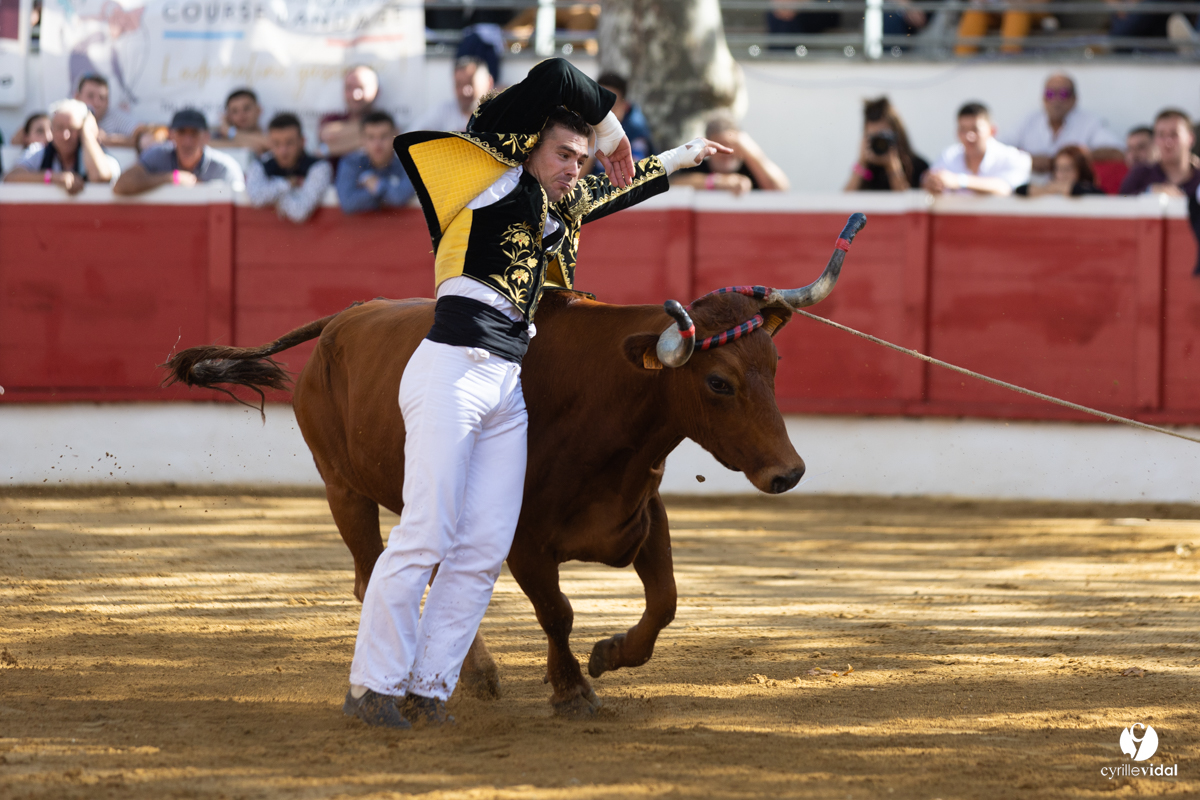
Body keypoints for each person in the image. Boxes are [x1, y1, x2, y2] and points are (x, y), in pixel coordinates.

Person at [342, 57, 732, 730]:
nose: (574, 167)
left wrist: (686, 156)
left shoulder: (559, 204)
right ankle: (371, 684)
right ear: (527, 146)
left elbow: (619, 189)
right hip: (453, 365)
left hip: (504, 383)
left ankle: (429, 688)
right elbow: (555, 74)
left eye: (581, 160)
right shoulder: (489, 171)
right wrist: (612, 132)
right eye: (563, 154)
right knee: (427, 531)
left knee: (484, 546)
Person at [1010, 74, 1124, 177]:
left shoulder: (1089, 122)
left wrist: (1073, 159)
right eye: (1050, 94)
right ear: (1043, 99)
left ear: (1074, 99)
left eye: (1063, 94)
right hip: (1032, 194)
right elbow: (1001, 148)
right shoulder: (1029, 121)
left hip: (1073, 195)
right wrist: (1028, 160)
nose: (1056, 100)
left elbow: (1118, 151)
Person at [113, 109, 245, 196]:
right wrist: (172, 178)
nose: (187, 141)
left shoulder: (225, 167)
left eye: (194, 134)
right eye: (182, 133)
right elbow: (121, 186)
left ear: (206, 137)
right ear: (171, 135)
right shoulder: (157, 154)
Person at [4, 99, 119, 194]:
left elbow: (100, 177)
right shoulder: (38, 152)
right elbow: (11, 178)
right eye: (59, 128)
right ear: (52, 130)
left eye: (72, 128)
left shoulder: (98, 153)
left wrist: (88, 136)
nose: (65, 135)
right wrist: (53, 177)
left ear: (81, 130)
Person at [922, 102, 1031, 196]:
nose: (969, 136)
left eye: (975, 129)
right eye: (963, 129)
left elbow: (1007, 188)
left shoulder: (1013, 157)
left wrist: (960, 181)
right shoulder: (948, 156)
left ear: (992, 130)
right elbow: (928, 181)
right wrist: (931, 183)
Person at [246, 113, 333, 224]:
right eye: (276, 144)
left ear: (302, 141)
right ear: (269, 143)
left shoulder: (319, 167)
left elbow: (300, 212)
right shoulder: (261, 164)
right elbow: (255, 198)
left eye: (289, 143)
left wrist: (272, 191)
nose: (283, 151)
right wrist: (286, 184)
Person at [671, 115, 790, 195]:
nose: (727, 152)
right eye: (720, 147)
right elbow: (673, 185)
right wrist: (717, 182)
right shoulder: (696, 168)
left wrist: (752, 152)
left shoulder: (752, 170)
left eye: (733, 145)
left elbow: (780, 190)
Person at [335, 111, 415, 214]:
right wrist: (386, 192)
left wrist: (377, 185)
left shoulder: (408, 164)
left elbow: (400, 197)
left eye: (384, 136)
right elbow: (348, 203)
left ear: (395, 136)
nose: (377, 145)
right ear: (362, 139)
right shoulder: (351, 162)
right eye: (371, 137)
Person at [844, 96, 929, 192]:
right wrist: (861, 163)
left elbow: (907, 203)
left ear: (897, 134)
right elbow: (844, 202)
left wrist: (893, 168)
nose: (879, 143)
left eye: (883, 136)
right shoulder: (866, 170)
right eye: (873, 137)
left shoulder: (917, 166)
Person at [584, 72, 655, 177]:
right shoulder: (586, 123)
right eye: (600, 104)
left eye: (612, 107)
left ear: (624, 106)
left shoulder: (635, 130)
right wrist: (591, 145)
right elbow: (575, 178)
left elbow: (632, 173)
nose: (605, 113)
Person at [1120, 109, 1199, 198]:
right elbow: (1120, 202)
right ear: (1155, 140)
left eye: (1174, 134)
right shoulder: (1140, 175)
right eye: (1161, 135)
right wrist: (1149, 192)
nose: (1167, 142)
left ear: (1191, 138)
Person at [410, 57, 494, 133]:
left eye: (471, 84)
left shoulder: (499, 114)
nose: (465, 91)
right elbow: (410, 137)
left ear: (489, 83)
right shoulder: (444, 111)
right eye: (459, 84)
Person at [318, 65, 380, 159]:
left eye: (361, 88)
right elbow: (327, 135)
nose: (355, 95)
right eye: (349, 88)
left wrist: (331, 148)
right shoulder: (331, 118)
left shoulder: (383, 118)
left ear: (377, 91)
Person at [74, 73, 137, 148]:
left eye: (102, 97)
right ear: (77, 97)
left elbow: (144, 136)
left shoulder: (116, 117)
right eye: (90, 96)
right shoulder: (67, 117)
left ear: (108, 101)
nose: (96, 103)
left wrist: (108, 139)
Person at [1015, 145, 1105, 196]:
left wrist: (1054, 188)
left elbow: (1082, 191)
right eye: (1058, 169)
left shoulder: (1091, 191)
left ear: (1081, 170)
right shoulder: (1049, 190)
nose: (1062, 174)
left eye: (1067, 169)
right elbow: (1021, 190)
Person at [213, 88, 269, 155]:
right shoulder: (218, 136)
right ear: (228, 116)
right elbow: (204, 145)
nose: (241, 115)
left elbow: (271, 144)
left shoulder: (271, 133)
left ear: (258, 110)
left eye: (246, 108)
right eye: (235, 111)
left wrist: (230, 132)